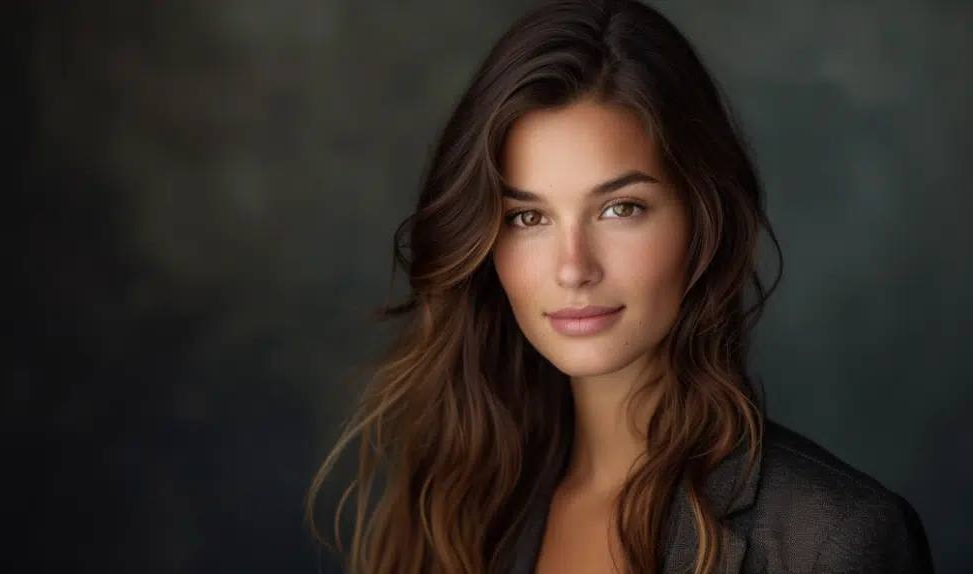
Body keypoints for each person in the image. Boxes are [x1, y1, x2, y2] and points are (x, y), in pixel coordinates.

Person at [306, 0, 935, 572]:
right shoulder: (463, 506)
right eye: (529, 218)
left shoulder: (834, 539)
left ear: (703, 218)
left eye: (620, 209)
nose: (574, 267)